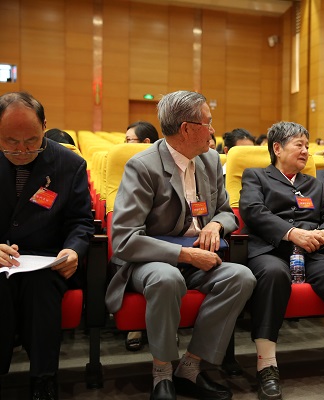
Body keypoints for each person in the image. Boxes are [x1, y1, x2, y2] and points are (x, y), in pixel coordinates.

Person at [105, 90, 256, 400]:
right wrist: (184, 254)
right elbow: (124, 240)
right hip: (150, 261)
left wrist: (215, 224)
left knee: (241, 277)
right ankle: (162, 372)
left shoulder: (210, 160)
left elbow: (227, 212)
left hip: (199, 256)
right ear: (187, 129)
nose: (213, 130)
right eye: (208, 122)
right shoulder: (142, 167)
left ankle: (190, 367)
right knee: (167, 277)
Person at [239, 121, 324, 400]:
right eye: (299, 145)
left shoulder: (314, 184)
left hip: (313, 252)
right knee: (273, 274)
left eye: (307, 145)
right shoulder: (256, 176)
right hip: (272, 250)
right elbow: (252, 210)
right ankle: (267, 366)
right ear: (278, 148)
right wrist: (292, 233)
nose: (306, 151)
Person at [0, 92, 94, 400]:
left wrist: (74, 250)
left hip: (46, 259)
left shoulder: (69, 164)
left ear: (44, 127)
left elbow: (80, 220)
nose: (22, 150)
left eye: (32, 140)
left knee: (40, 288)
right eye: (11, 141)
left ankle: (44, 380)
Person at [122, 121, 159, 353]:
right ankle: (136, 326)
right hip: (133, 245)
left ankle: (165, 326)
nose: (124, 145)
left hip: (163, 244)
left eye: (129, 140)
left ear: (146, 143)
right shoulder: (128, 169)